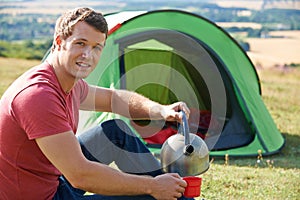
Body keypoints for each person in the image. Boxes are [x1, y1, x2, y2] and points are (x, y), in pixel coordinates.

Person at [0, 7, 192, 200]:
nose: (88, 55)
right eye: (80, 44)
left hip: (54, 181)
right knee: (150, 194)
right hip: (44, 196)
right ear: (59, 42)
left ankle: (172, 192)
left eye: (96, 47)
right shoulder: (38, 95)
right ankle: (169, 192)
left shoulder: (68, 83)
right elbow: (80, 175)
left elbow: (113, 99)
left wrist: (160, 110)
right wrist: (152, 186)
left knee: (114, 132)